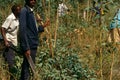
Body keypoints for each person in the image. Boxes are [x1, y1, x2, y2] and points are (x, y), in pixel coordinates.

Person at [19, 0, 49, 80]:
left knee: (27, 65)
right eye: (31, 0)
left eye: (34, 0)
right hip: (29, 44)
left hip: (33, 43)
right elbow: (22, 30)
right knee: (27, 67)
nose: (33, 1)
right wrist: (26, 47)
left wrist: (43, 27)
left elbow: (33, 30)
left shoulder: (31, 11)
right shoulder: (24, 11)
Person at [0, 4, 21, 80]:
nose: (20, 11)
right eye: (18, 10)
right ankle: (12, 77)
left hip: (13, 41)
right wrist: (5, 41)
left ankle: (8, 75)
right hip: (9, 41)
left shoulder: (17, 18)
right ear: (14, 11)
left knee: (9, 59)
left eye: (20, 9)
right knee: (11, 61)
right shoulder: (10, 18)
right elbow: (2, 28)